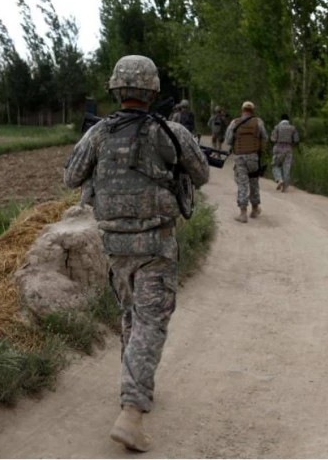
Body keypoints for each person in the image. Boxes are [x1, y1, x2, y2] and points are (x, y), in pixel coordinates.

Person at [63, 55, 209, 452]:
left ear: (116, 89)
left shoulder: (99, 134)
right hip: (154, 245)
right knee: (150, 322)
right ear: (153, 91)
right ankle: (132, 409)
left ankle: (131, 387)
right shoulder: (169, 130)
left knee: (130, 315)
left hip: (114, 245)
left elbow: (71, 176)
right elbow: (201, 174)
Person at [224, 101, 268, 223]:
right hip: (253, 157)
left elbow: (228, 140)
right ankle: (254, 209)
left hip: (239, 158)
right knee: (254, 182)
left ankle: (243, 213)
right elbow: (264, 137)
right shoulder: (258, 122)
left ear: (242, 110)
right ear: (252, 111)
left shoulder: (235, 123)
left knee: (242, 183)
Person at [270, 113, 300, 193]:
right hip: (288, 149)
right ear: (288, 120)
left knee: (275, 165)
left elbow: (273, 138)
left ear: (281, 119)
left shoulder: (277, 127)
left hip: (278, 148)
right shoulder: (293, 128)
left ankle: (279, 179)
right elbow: (296, 139)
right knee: (287, 167)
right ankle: (285, 186)